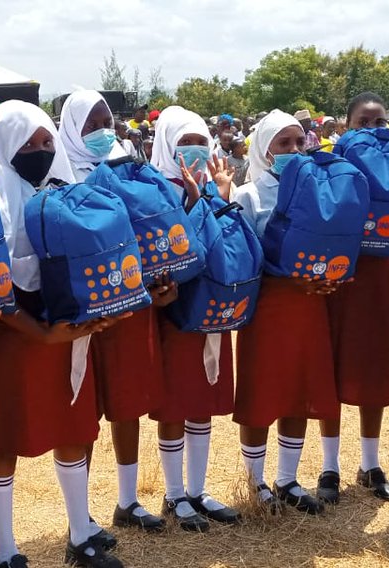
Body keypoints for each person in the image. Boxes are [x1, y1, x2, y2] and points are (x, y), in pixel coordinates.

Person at [0, 99, 125, 568]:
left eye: (46, 141)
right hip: (17, 337)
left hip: (68, 336)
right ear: (4, 147)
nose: (40, 150)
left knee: (73, 430)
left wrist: (100, 312)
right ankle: (6, 550)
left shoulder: (70, 194)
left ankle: (81, 531)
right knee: (6, 440)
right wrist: (41, 335)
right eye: (27, 143)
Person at [57, 90, 173, 535]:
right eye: (91, 124)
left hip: (132, 306)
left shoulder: (131, 168)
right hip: (87, 313)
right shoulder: (61, 175)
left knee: (128, 404)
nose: (103, 132)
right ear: (70, 128)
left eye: (107, 121)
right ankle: (79, 515)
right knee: (83, 415)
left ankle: (127, 500)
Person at [234, 110, 338, 517]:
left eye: (300, 142)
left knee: (300, 391)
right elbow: (242, 259)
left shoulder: (319, 189)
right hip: (268, 308)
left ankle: (287, 478)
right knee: (263, 392)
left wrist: (329, 277)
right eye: (283, 144)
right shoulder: (248, 195)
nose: (294, 150)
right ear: (264, 149)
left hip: (310, 307)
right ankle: (255, 481)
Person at [148, 105, 242, 533]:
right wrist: (189, 201)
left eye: (200, 142)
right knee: (174, 401)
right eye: (184, 142)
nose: (194, 150)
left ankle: (198, 489)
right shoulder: (154, 190)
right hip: (175, 313)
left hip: (213, 311)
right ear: (166, 144)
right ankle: (173, 494)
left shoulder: (216, 185)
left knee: (203, 400)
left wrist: (221, 195)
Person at [313, 92, 389, 508]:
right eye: (364, 122)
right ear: (345, 127)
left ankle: (370, 463)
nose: (373, 129)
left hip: (377, 278)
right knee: (329, 367)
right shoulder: (327, 167)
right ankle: (329, 466)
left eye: (380, 121)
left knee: (375, 369)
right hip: (337, 280)